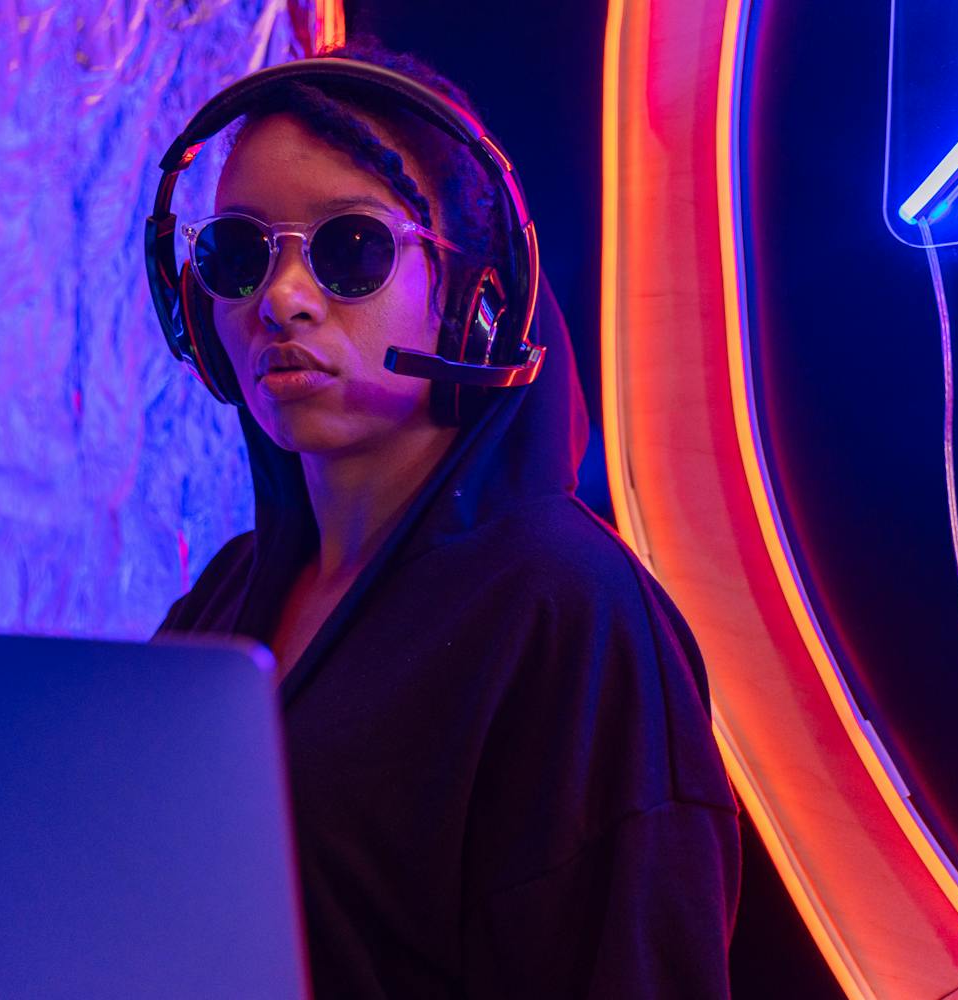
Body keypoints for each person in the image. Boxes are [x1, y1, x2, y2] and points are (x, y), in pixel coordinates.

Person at [154, 39, 741, 998]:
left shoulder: (567, 610)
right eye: (238, 253)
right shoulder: (226, 596)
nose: (282, 299)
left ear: (469, 302)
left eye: (351, 249)